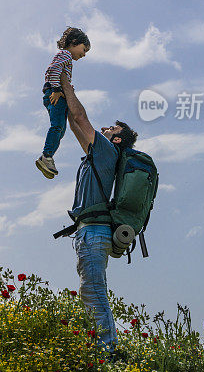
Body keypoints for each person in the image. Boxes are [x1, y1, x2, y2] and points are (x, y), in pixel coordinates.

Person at [59, 70, 138, 358]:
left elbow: (81, 118)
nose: (104, 128)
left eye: (111, 129)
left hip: (94, 234)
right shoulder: (97, 153)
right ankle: (100, 351)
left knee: (94, 294)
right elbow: (73, 122)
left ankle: (108, 355)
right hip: (87, 234)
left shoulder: (108, 152)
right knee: (89, 293)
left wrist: (66, 84)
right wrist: (62, 96)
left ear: (117, 141)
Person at [35, 27, 91, 179]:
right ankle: (46, 156)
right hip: (55, 94)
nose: (84, 54)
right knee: (57, 126)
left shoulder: (66, 57)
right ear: (74, 42)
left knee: (61, 129)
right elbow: (54, 69)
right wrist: (56, 89)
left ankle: (48, 157)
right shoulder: (65, 54)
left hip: (58, 94)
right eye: (84, 49)